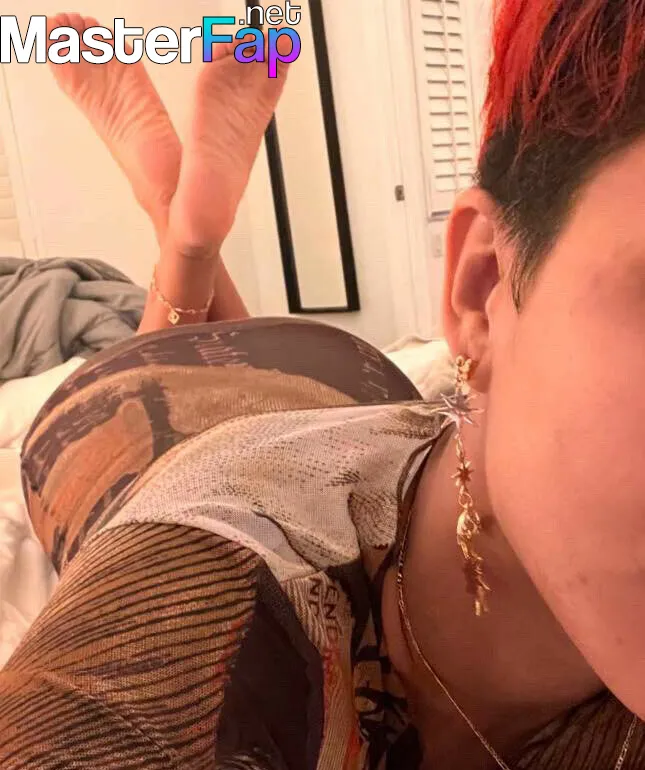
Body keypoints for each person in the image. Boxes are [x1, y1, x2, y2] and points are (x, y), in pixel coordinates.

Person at [1, 1, 645, 767]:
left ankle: (181, 218)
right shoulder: (167, 622)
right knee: (166, 408)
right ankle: (179, 224)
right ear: (482, 288)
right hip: (121, 424)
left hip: (329, 385)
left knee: (223, 386)